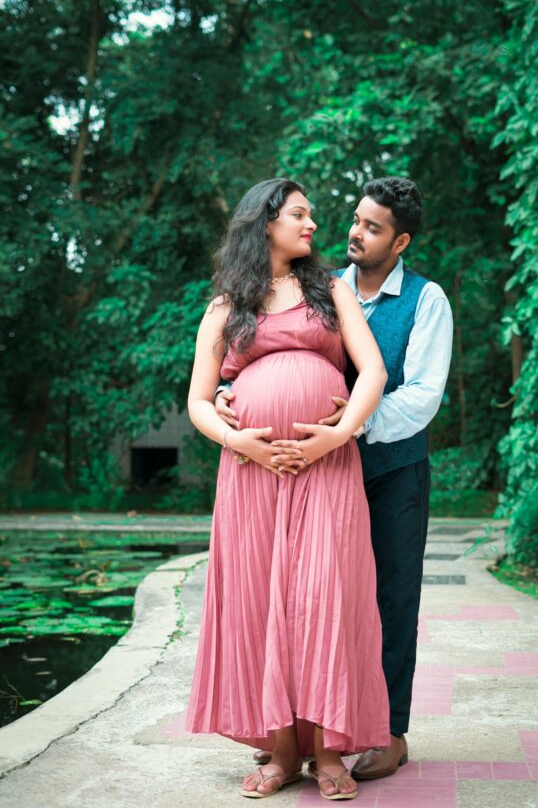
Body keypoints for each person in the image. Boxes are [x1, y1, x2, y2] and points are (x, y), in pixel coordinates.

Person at [218, 176, 453, 781]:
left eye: (371, 228)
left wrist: (347, 429)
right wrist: (229, 394)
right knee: (304, 599)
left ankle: (389, 731)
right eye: (354, 219)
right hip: (310, 473)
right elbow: (255, 349)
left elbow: (422, 397)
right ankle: (294, 730)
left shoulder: (426, 300)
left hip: (388, 468)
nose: (353, 231)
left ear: (398, 242)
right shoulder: (321, 286)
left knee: (389, 599)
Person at [184, 177, 391, 800]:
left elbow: (373, 370)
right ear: (265, 221)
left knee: (325, 596)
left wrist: (338, 436)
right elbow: (197, 400)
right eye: (300, 214)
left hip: (327, 467)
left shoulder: (330, 291)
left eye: (312, 216)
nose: (313, 226)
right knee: (261, 602)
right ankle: (280, 751)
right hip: (251, 475)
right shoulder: (226, 305)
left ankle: (329, 751)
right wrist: (238, 440)